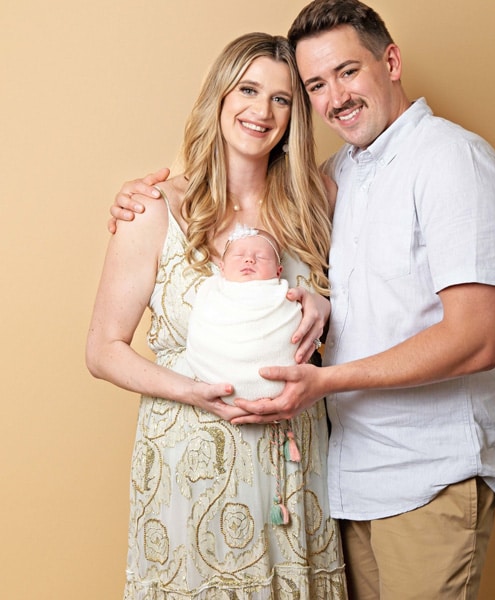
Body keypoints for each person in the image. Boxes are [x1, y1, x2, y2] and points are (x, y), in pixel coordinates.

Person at [109, 1, 495, 598]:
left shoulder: (451, 160)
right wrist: (140, 195)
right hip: (342, 481)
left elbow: (477, 340)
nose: (337, 97)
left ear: (392, 60)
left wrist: (326, 381)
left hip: (429, 472)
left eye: (349, 72)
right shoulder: (332, 180)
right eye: (316, 85)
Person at [87, 32, 347, 599]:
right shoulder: (154, 209)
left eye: (282, 99)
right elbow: (103, 349)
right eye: (248, 90)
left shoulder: (319, 202)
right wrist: (191, 390)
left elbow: (370, 316)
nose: (262, 111)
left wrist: (327, 308)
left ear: (296, 117)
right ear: (220, 98)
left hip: (293, 466)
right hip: (191, 460)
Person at [183, 223, 302, 405]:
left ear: (278, 272)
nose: (249, 260)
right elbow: (202, 325)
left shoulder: (281, 295)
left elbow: (292, 324)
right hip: (215, 373)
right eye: (239, 256)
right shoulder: (212, 292)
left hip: (272, 377)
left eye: (261, 258)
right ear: (222, 268)